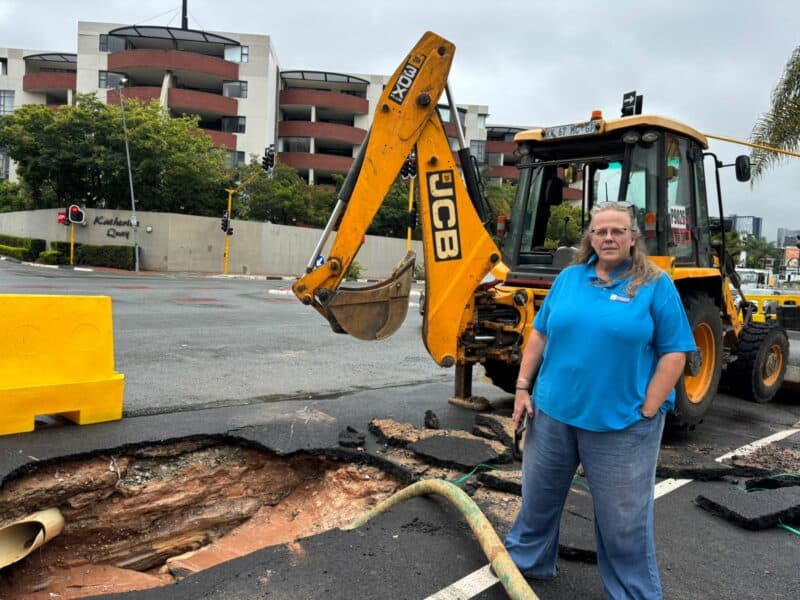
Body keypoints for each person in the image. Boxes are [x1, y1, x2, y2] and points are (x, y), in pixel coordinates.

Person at [504, 202, 696, 599]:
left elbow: (675, 352)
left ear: (631, 238)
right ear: (589, 238)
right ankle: (528, 562)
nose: (608, 238)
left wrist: (648, 408)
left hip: (620, 424)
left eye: (617, 231)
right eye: (600, 231)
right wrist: (523, 388)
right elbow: (539, 334)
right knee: (537, 499)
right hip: (553, 414)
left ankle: (632, 592)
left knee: (622, 521)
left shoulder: (655, 284)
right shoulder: (570, 278)